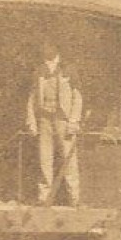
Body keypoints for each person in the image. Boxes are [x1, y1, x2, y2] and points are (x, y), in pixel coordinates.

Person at [25, 42, 83, 205]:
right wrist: (31, 120)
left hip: (63, 119)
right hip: (44, 118)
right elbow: (31, 97)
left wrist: (74, 120)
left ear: (56, 48)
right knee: (44, 158)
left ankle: (74, 198)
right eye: (43, 47)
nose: (45, 49)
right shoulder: (39, 70)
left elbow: (77, 96)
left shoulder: (68, 69)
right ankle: (44, 197)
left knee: (68, 158)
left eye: (48, 46)